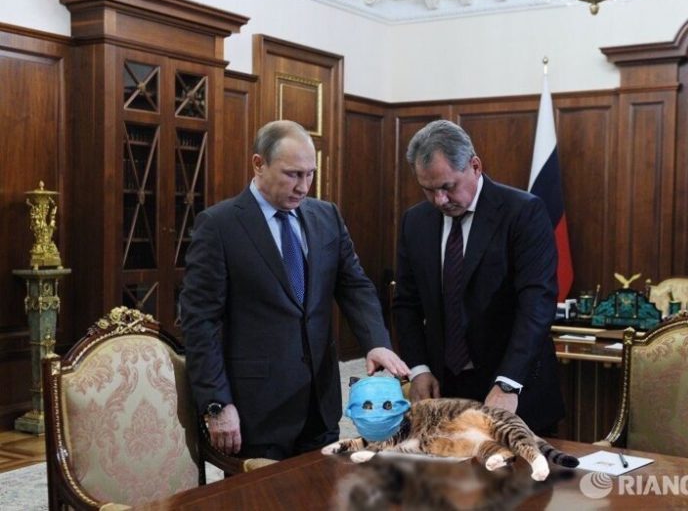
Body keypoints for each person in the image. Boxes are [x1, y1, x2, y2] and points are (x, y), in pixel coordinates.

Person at [181, 120, 409, 460]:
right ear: (258, 164)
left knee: (321, 486)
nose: (303, 187)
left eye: (310, 174)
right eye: (292, 174)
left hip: (320, 401)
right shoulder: (219, 225)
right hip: (257, 408)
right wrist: (217, 403)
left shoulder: (326, 216)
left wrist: (376, 341)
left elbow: (354, 285)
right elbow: (200, 322)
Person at [393, 119, 564, 435]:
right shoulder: (415, 222)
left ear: (475, 166)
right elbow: (406, 303)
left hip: (514, 388)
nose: (439, 200)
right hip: (444, 390)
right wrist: (418, 368)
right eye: (428, 189)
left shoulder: (522, 212)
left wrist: (508, 383)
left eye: (448, 187)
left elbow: (537, 304)